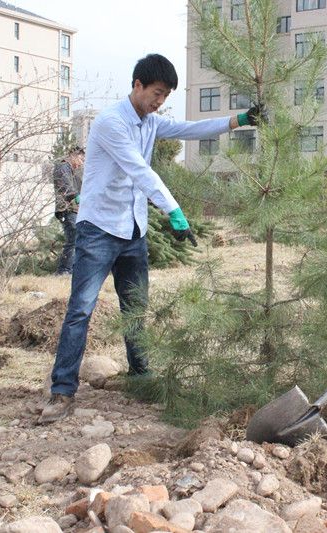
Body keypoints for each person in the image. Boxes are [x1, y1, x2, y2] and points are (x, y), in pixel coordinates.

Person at [38, 53, 263, 424]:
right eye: (157, 93)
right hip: (99, 229)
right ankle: (62, 391)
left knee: (135, 307)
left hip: (133, 230)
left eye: (165, 96)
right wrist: (174, 211)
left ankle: (140, 374)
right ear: (138, 85)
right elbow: (139, 170)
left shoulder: (150, 122)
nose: (160, 101)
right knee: (80, 309)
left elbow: (191, 129)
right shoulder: (111, 122)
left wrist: (239, 120)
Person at [52, 146, 86, 275]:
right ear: (73, 156)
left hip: (75, 209)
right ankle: (64, 270)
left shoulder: (73, 172)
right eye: (81, 159)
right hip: (67, 209)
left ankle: (71, 268)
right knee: (73, 238)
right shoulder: (62, 168)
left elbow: (82, 187)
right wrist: (76, 196)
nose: (81, 163)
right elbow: (65, 186)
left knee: (76, 239)